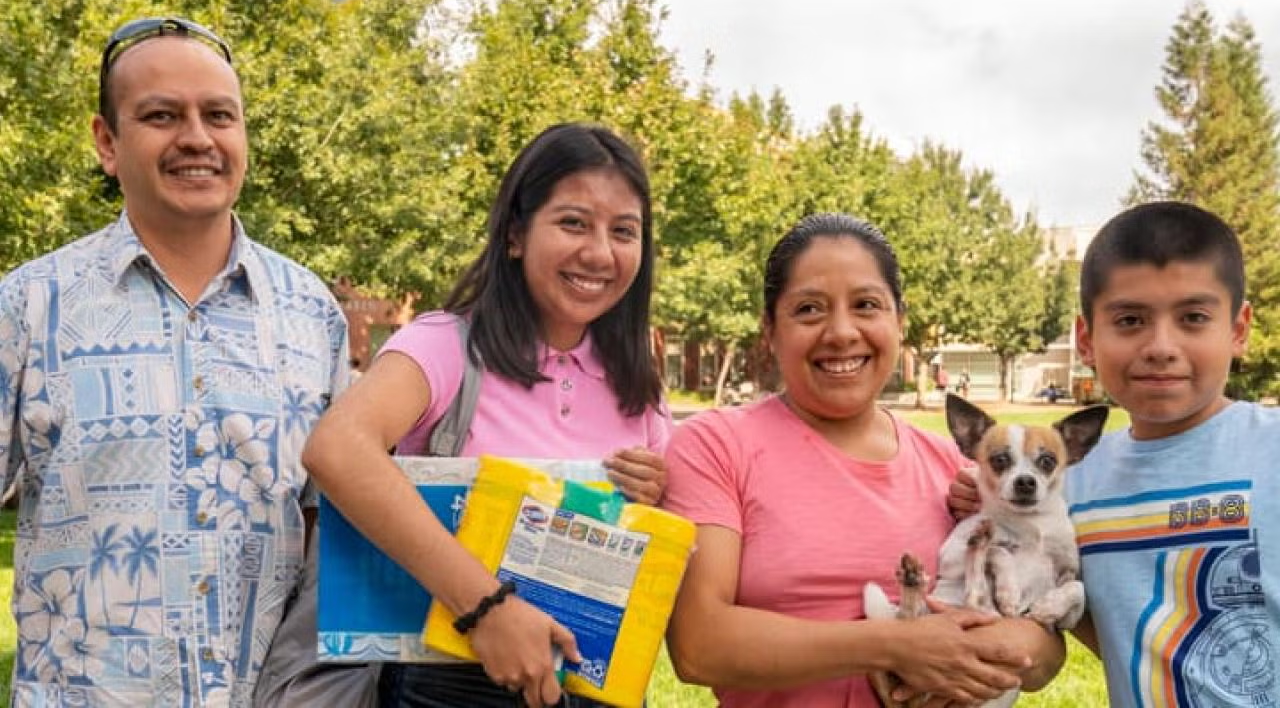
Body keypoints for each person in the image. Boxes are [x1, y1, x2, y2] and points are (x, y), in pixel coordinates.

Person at [0, 17, 349, 705]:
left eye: (219, 115)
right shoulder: (28, 306)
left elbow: (327, 533)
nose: (197, 137)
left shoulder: (313, 317)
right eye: (161, 115)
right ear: (107, 142)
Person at [295, 123, 670, 708]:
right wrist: (486, 607)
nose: (600, 252)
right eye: (573, 223)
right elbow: (337, 449)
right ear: (516, 235)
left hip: (593, 687)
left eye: (624, 231)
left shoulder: (637, 383)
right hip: (450, 683)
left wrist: (656, 496)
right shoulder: (445, 345)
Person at [660, 213, 1065, 707]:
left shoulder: (961, 471)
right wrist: (894, 646)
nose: (841, 332)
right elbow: (699, 645)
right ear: (769, 329)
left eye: (867, 305)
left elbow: (1046, 647)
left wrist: (1012, 646)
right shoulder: (715, 446)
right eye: (809, 309)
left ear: (900, 321)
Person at [1065, 202, 1277, 705]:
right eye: (1131, 319)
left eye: (1193, 318)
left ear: (1238, 329)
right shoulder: (1069, 483)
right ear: (1086, 339)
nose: (1161, 346)